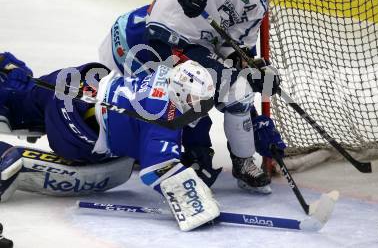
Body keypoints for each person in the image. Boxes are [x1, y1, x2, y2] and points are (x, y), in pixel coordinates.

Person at [98, 0, 282, 194]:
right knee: (201, 93)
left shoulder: (257, 3)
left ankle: (236, 161)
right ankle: (196, 152)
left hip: (196, 48)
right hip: (164, 35)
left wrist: (253, 69)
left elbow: (231, 48)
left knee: (238, 91)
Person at [0, 52, 220, 232]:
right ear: (179, 93)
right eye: (195, 101)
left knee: (26, 93)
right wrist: (196, 205)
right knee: (28, 111)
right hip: (73, 129)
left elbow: (192, 117)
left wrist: (197, 146)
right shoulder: (161, 119)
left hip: (78, 81)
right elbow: (157, 169)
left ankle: (10, 72)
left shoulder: (166, 73)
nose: (200, 106)